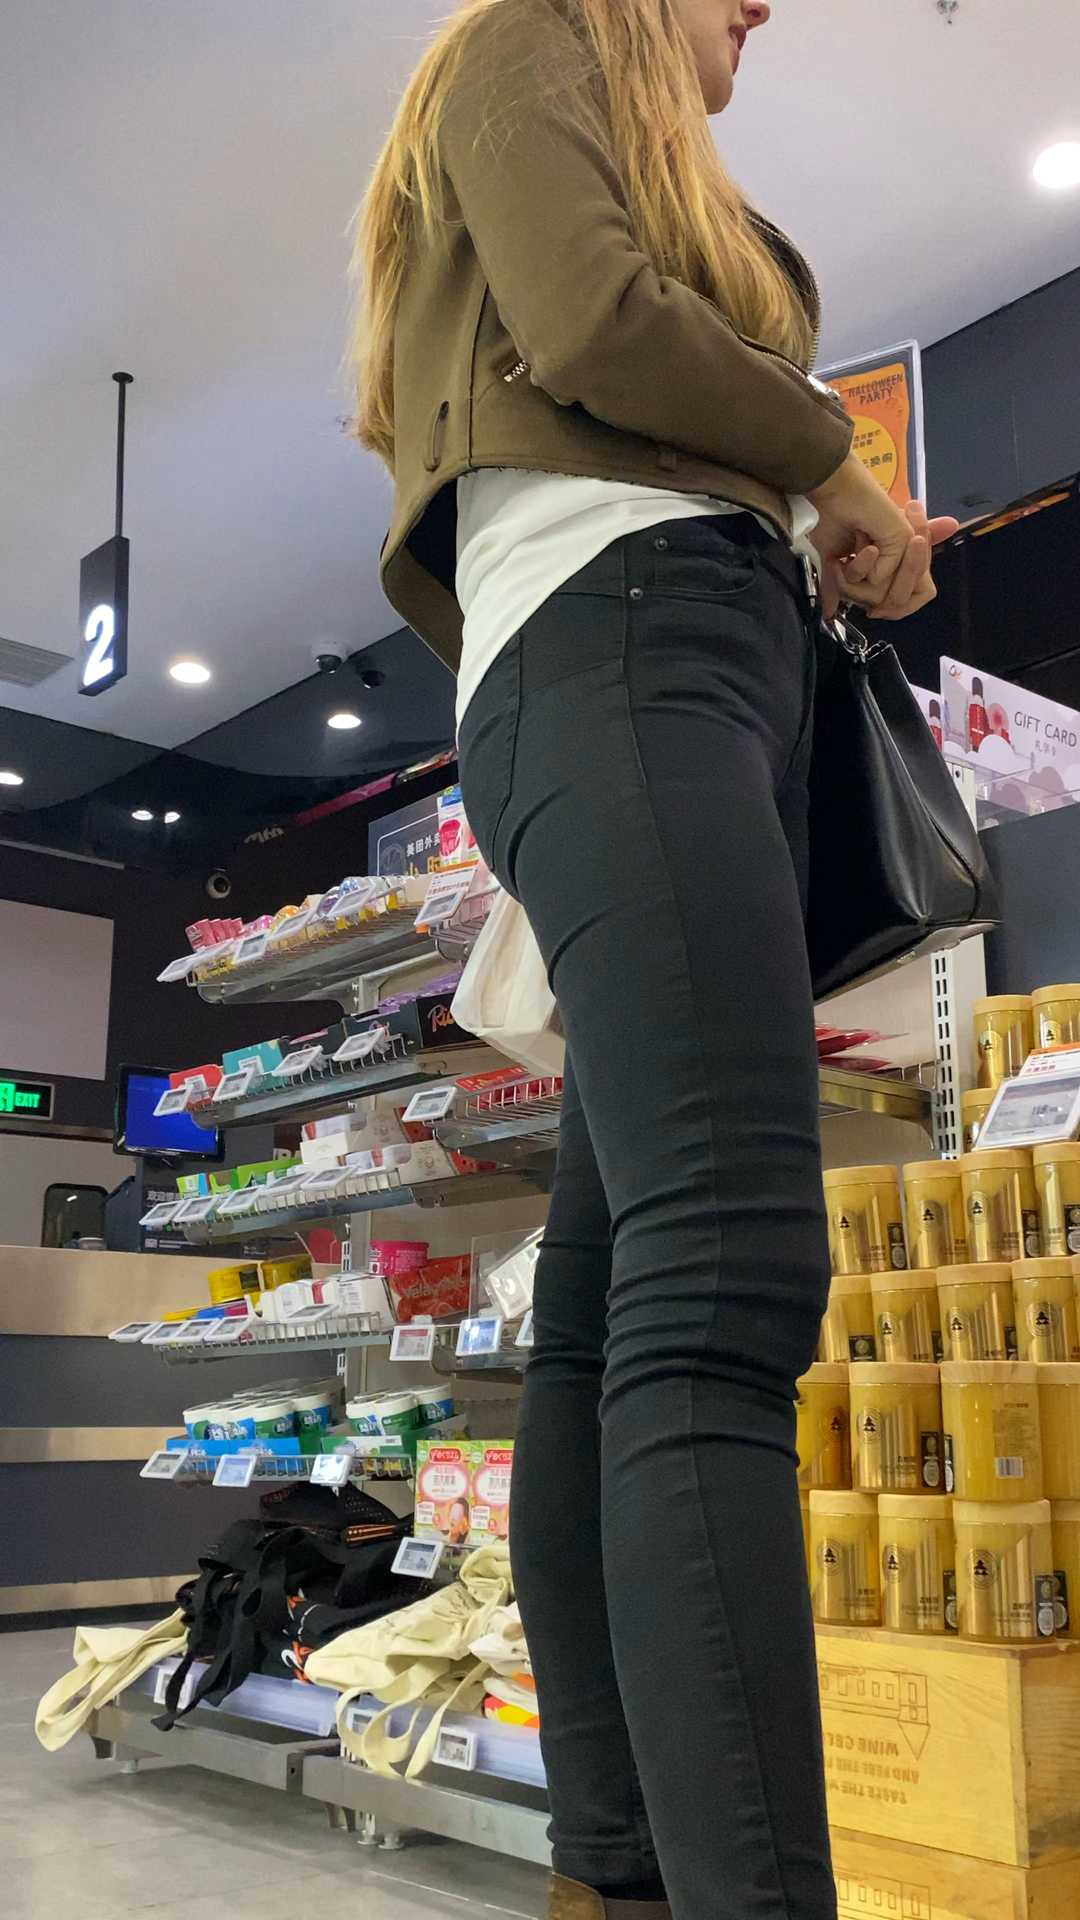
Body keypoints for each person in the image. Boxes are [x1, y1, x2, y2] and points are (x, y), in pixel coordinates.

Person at [352, 4, 956, 1915]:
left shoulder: (586, 103)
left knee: (619, 1303)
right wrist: (835, 460)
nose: (765, 6)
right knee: (727, 1283)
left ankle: (610, 1876)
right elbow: (600, 322)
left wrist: (804, 513)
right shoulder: (529, 30)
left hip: (666, 661)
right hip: (625, 643)